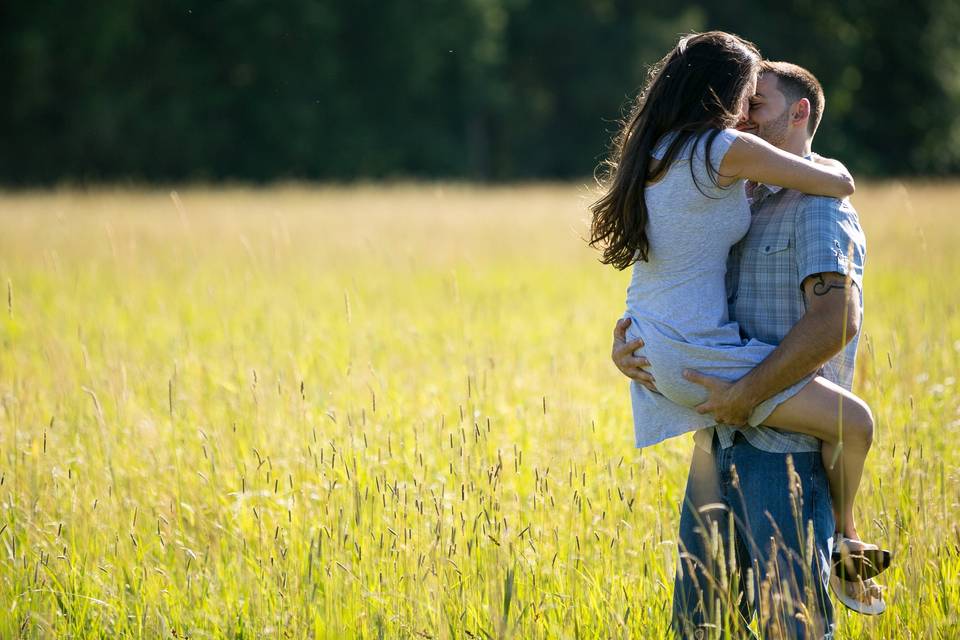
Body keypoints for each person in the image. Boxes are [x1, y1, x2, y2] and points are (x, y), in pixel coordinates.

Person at [589, 31, 889, 592]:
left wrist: (634, 339)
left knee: (708, 617)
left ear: (798, 113)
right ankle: (848, 539)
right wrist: (742, 395)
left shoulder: (660, 151)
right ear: (721, 90)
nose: (746, 114)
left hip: (664, 346)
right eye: (746, 97)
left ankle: (846, 541)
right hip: (697, 363)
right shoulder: (722, 154)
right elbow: (841, 180)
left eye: (759, 103)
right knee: (856, 423)